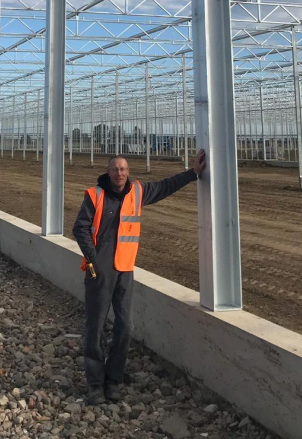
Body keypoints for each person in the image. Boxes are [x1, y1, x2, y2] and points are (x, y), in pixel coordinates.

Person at [72, 150, 206, 405]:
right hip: (100, 271)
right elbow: (80, 227)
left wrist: (192, 173)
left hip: (124, 269)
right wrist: (93, 257)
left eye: (123, 169)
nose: (119, 174)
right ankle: (95, 385)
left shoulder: (138, 193)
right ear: (108, 172)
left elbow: (166, 186)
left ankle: (113, 381)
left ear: (128, 172)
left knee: (125, 327)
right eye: (115, 169)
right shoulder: (95, 195)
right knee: (95, 328)